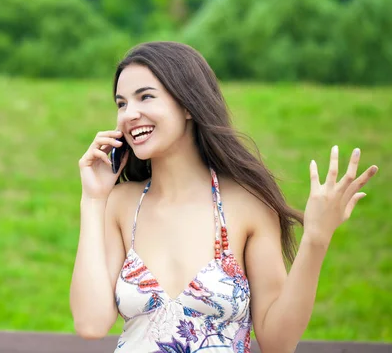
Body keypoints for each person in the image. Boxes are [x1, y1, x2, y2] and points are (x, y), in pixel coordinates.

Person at [69, 42, 378, 353]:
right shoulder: (121, 205)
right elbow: (90, 324)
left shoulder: (248, 205)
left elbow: (278, 343)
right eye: (121, 103)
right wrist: (93, 199)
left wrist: (316, 238)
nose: (129, 114)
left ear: (188, 105)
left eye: (145, 97)